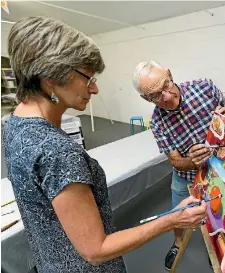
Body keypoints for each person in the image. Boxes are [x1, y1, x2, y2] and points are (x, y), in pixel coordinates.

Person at [2, 17, 207, 273]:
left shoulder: (15, 124)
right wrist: (172, 219)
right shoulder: (58, 152)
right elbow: (96, 250)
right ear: (50, 77)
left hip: (50, 260)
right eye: (88, 78)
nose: (95, 88)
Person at [132, 61, 225, 270]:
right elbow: (176, 162)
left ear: (170, 74)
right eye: (156, 96)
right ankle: (178, 243)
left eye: (166, 86)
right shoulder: (158, 123)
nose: (167, 97)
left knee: (221, 212)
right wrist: (191, 161)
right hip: (185, 178)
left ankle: (216, 248)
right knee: (177, 215)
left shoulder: (204, 87)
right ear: (145, 98)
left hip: (219, 168)